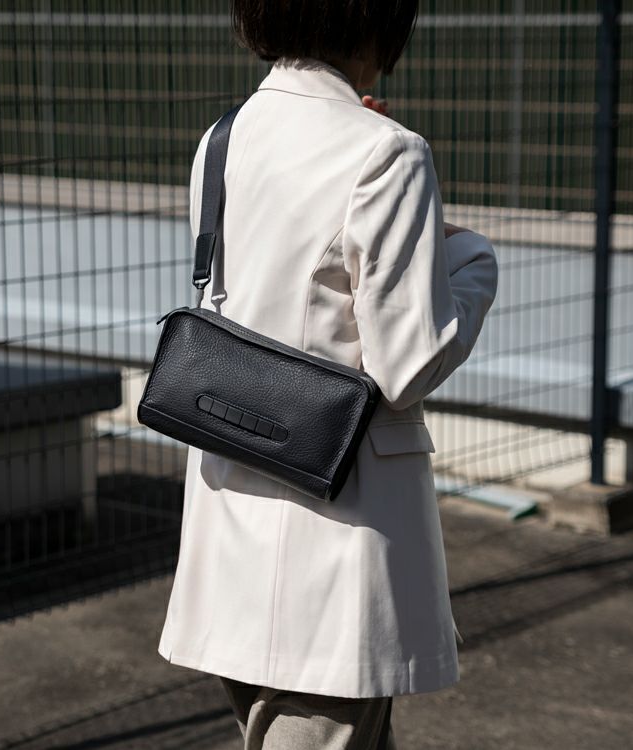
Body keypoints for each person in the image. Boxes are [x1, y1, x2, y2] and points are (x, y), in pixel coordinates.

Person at [156, 1, 499, 747]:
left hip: (229, 517)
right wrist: (473, 266)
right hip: (336, 537)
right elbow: (408, 364)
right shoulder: (388, 152)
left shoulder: (222, 139)